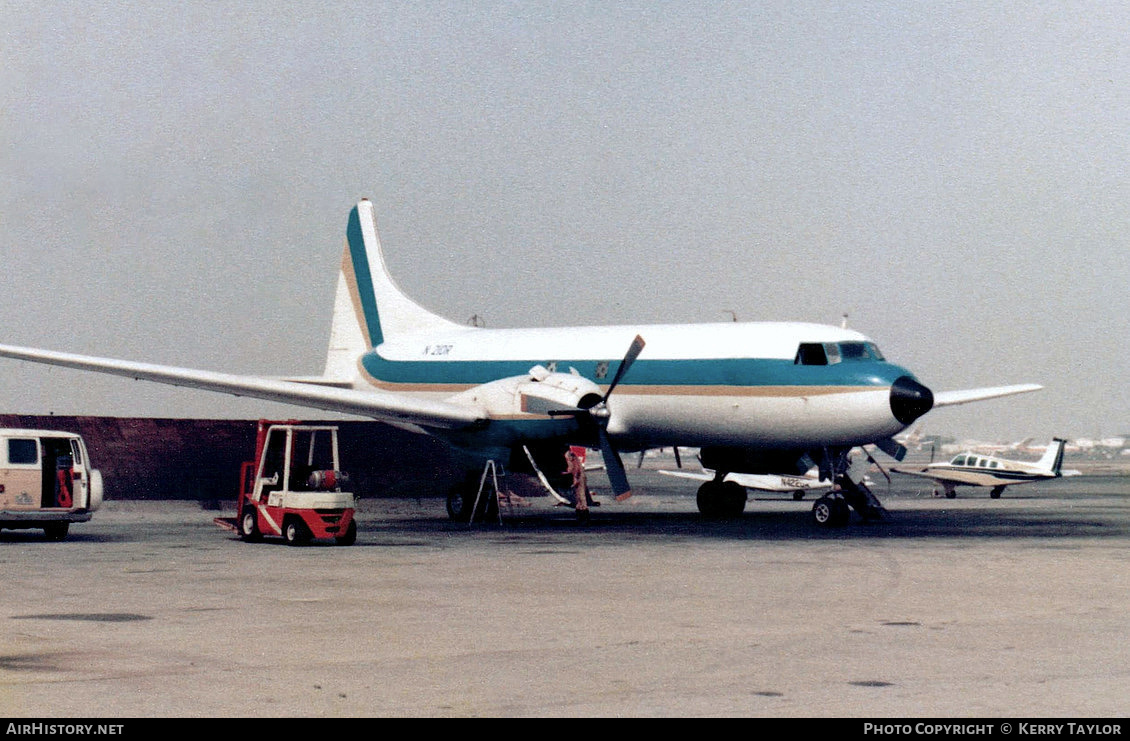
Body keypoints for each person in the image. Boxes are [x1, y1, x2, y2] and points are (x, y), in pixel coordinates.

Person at [565, 449, 590, 522]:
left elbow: (575, 467)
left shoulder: (570, 455)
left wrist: (575, 478)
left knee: (580, 496)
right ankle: (582, 512)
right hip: (579, 476)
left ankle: (583, 514)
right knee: (580, 497)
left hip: (577, 476)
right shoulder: (572, 454)